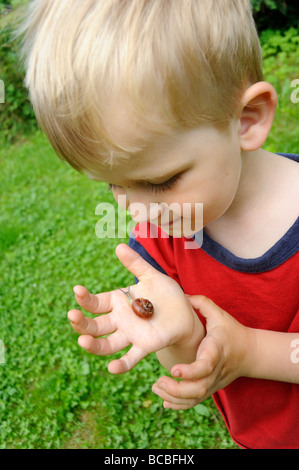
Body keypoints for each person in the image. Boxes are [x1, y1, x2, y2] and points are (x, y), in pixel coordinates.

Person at [19, 0, 298, 449]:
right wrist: (184, 334)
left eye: (161, 181)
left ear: (247, 120)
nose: (137, 213)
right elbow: (188, 357)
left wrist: (249, 352)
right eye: (113, 185)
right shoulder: (161, 241)